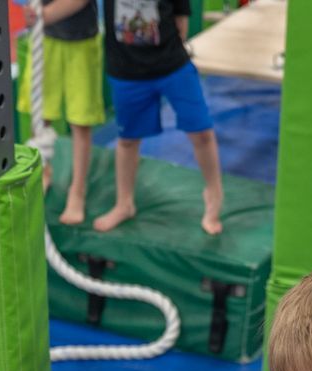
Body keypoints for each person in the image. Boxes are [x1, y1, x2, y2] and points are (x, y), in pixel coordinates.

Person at [39, 0, 225, 234]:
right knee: (127, 140)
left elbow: (180, 21)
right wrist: (44, 14)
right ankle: (124, 203)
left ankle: (213, 192)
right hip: (127, 72)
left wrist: (169, 54)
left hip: (172, 67)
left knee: (201, 132)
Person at [33, 0, 110, 226]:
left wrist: (45, 14)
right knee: (41, 115)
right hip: (44, 38)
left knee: (80, 121)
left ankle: (78, 189)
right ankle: (44, 172)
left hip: (80, 41)